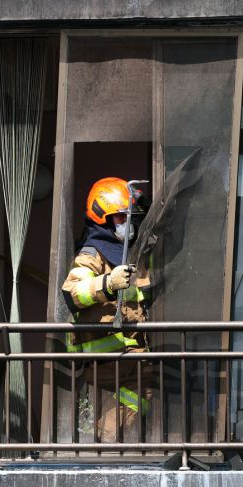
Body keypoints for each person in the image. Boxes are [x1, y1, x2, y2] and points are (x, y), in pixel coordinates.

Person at [61, 177, 151, 442]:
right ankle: (103, 444)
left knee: (140, 398)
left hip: (129, 356)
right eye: (120, 218)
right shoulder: (92, 252)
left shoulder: (133, 252)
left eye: (130, 218)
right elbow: (72, 293)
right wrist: (107, 283)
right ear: (102, 218)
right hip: (106, 356)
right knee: (135, 400)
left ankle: (104, 441)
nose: (127, 224)